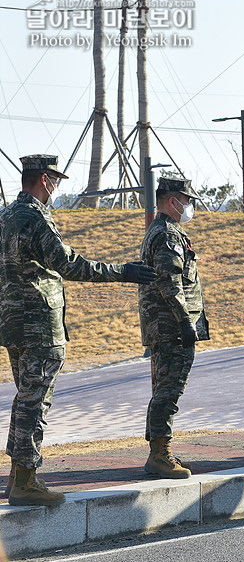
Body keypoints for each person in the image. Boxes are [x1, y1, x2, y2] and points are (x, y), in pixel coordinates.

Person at [0, 154, 156, 506]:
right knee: (34, 401)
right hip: (39, 323)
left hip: (12, 323)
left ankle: (18, 478)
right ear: (43, 179)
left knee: (25, 398)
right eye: (54, 180)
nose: (55, 186)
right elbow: (68, 264)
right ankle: (25, 481)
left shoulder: (6, 215)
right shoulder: (35, 217)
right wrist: (123, 272)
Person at [138, 175, 209, 479]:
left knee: (166, 390)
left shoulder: (169, 231)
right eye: (187, 200)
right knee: (168, 391)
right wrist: (186, 322)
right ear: (172, 200)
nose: (190, 206)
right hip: (171, 327)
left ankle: (160, 450)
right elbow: (170, 284)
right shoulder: (167, 234)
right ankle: (158, 455)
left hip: (168, 325)